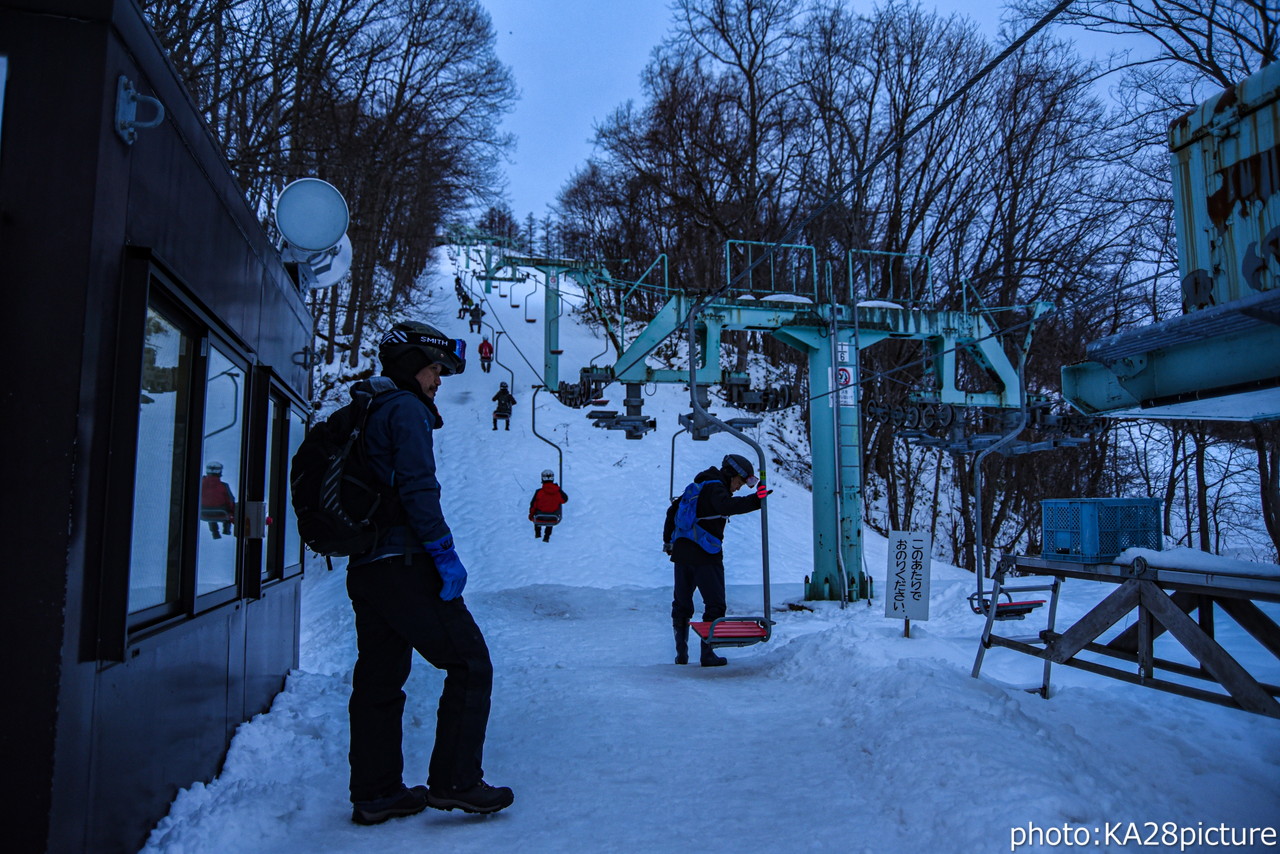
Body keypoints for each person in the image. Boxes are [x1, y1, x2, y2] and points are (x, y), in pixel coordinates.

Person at [342, 320, 513, 825]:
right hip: (405, 564)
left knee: (379, 678)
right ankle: (455, 782)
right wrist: (442, 552)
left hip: (368, 568)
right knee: (469, 663)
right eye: (434, 369)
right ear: (411, 364)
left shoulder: (366, 408)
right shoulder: (404, 409)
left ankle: (377, 792)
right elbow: (418, 487)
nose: (438, 380)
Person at [663, 453, 769, 667]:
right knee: (715, 604)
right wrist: (756, 500)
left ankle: (681, 654)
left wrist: (668, 542)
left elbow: (672, 511)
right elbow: (726, 506)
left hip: (682, 553)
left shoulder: (698, 485)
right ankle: (707, 654)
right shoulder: (716, 488)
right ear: (731, 474)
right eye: (739, 482)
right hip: (705, 554)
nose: (738, 487)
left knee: (682, 604)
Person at [528, 470, 568, 542]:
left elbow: (533, 505)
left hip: (539, 517)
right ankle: (547, 536)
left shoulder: (539, 492)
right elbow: (564, 500)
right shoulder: (558, 492)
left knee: (538, 510)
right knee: (551, 511)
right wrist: (559, 490)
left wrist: (531, 515)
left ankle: (537, 533)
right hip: (553, 518)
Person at [199, 461, 236, 539]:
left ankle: (214, 532)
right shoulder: (224, 486)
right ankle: (226, 529)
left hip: (203, 513)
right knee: (229, 506)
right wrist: (232, 512)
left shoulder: (200, 484)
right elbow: (230, 500)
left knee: (210, 509)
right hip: (222, 513)